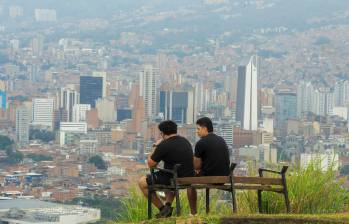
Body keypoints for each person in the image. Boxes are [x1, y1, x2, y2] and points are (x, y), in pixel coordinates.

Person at [138, 120, 197, 218]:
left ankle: (162, 209)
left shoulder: (164, 145)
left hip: (173, 178)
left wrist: (156, 146)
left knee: (142, 182)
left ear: (162, 133)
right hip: (187, 177)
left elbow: (151, 164)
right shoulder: (185, 141)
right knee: (168, 175)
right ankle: (168, 206)